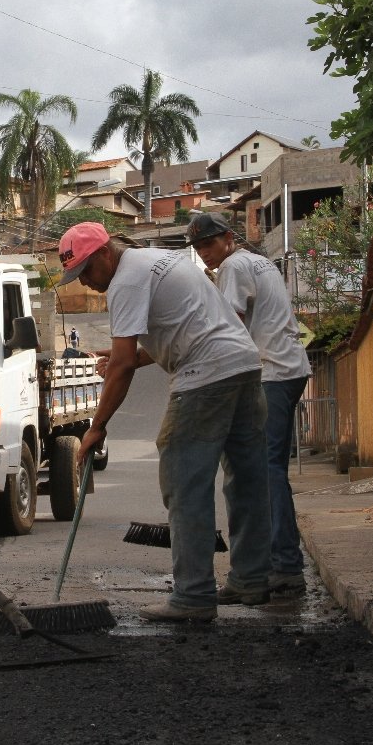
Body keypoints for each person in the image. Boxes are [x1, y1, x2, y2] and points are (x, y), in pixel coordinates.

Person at [60, 221, 273, 620]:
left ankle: (193, 595)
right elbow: (176, 334)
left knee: (183, 481)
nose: (85, 283)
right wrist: (129, 358)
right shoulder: (157, 260)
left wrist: (97, 426)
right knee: (246, 478)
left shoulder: (125, 282)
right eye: (76, 276)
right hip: (243, 365)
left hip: (204, 378)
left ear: (105, 253)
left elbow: (122, 364)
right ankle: (251, 578)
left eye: (86, 270)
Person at [187, 212, 313, 595]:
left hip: (273, 372)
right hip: (288, 368)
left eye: (208, 244)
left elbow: (230, 328)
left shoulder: (234, 266)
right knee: (269, 468)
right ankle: (280, 563)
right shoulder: (258, 261)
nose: (204, 253)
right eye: (198, 248)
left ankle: (285, 566)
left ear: (227, 238)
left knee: (266, 470)